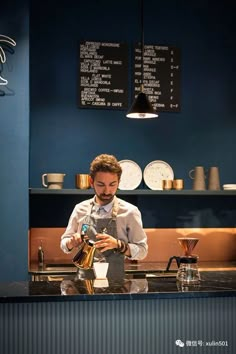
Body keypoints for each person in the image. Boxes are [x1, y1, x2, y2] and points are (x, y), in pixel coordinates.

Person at [60, 154, 148, 279]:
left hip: (117, 287)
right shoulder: (80, 209)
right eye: (101, 185)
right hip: (84, 284)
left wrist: (119, 244)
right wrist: (71, 242)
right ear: (91, 182)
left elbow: (142, 251)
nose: (107, 191)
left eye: (112, 184)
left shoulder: (130, 212)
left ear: (119, 182)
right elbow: (64, 244)